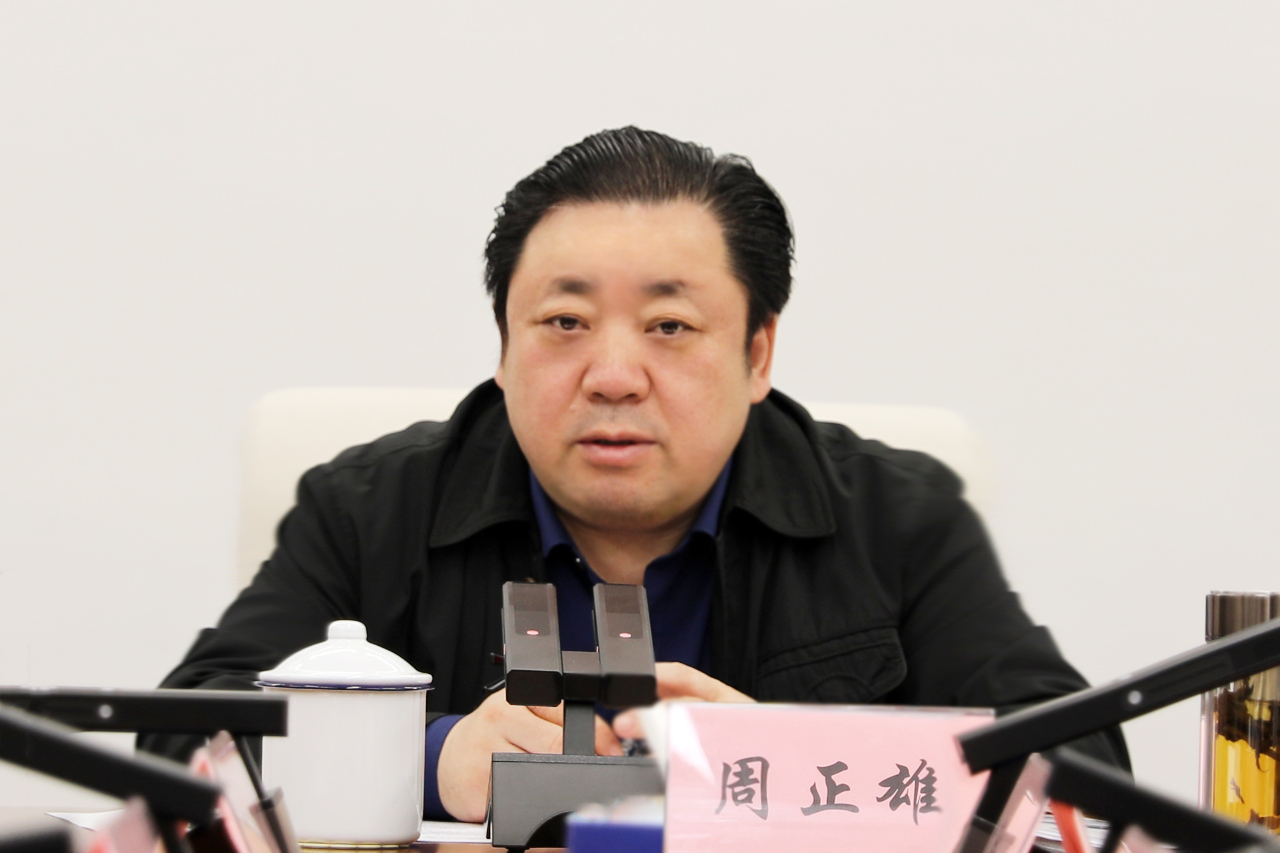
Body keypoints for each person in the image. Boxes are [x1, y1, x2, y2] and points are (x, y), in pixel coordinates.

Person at [142, 127, 1128, 822]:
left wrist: (788, 769)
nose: (612, 374)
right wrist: (432, 760)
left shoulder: (897, 518)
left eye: (669, 325)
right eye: (564, 322)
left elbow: (1079, 774)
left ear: (755, 354)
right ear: (503, 347)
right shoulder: (367, 508)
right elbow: (183, 747)